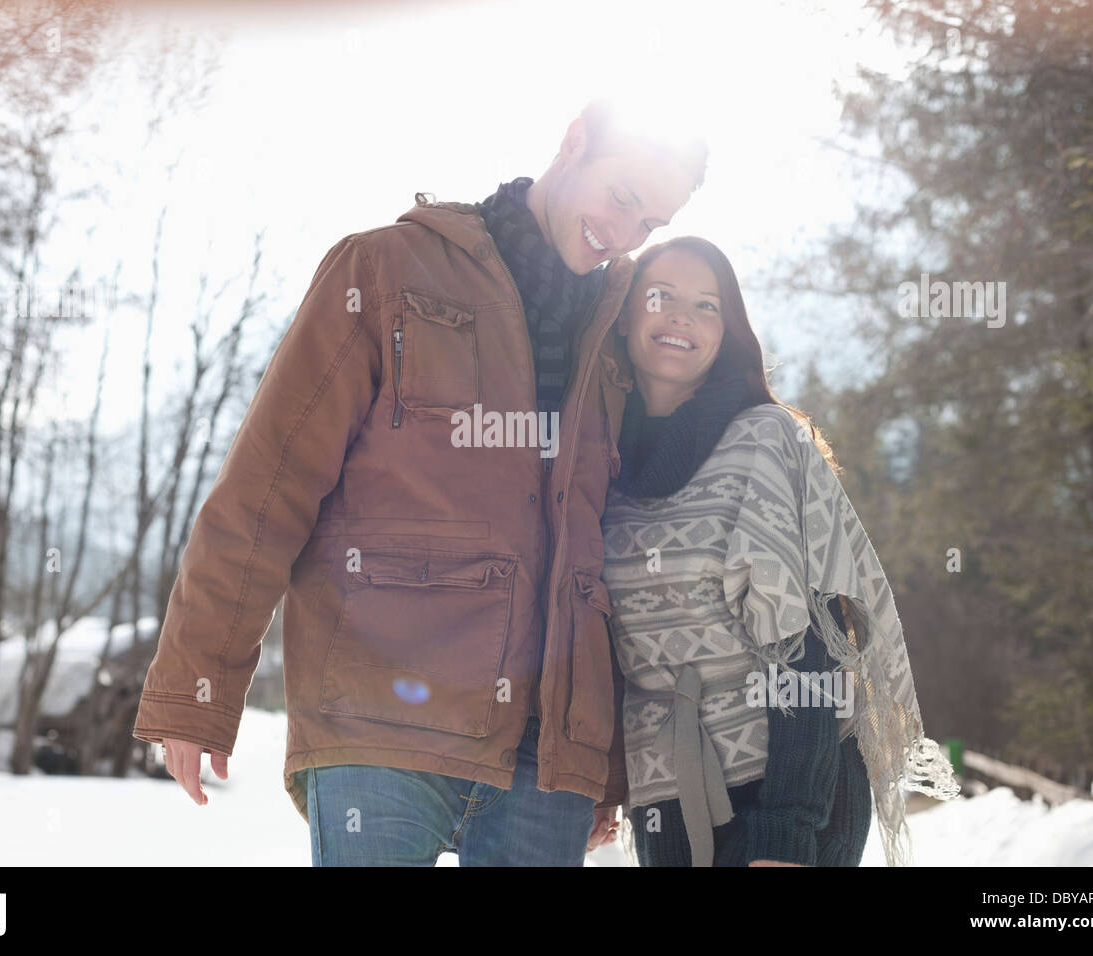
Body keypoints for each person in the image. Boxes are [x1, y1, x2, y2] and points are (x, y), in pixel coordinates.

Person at [132, 101, 708, 866]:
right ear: (572, 144)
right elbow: (269, 485)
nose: (627, 230)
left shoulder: (618, 333)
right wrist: (197, 683)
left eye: (650, 221)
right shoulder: (384, 269)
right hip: (380, 714)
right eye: (623, 196)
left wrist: (600, 760)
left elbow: (612, 547)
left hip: (547, 755)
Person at [599, 237, 959, 867]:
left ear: (726, 331)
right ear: (625, 314)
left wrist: (787, 832)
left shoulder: (761, 443)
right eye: (661, 297)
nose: (683, 316)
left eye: (707, 305)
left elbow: (808, 644)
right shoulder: (595, 462)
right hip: (667, 793)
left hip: (786, 786)